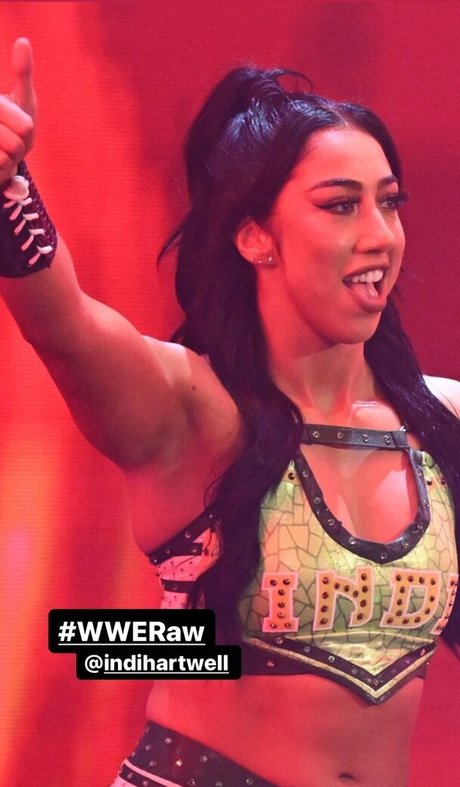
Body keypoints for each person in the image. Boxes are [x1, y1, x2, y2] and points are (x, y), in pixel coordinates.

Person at [1, 37, 460, 787]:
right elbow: (63, 326)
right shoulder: (195, 410)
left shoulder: (442, 423)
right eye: (341, 205)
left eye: (389, 202)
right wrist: (9, 192)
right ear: (254, 235)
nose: (381, 235)